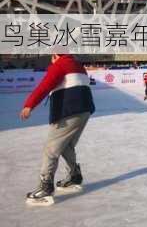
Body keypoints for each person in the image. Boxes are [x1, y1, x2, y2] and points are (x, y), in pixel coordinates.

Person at [21, 53, 95, 206]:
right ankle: (74, 176)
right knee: (66, 145)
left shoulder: (60, 64)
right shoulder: (77, 64)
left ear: (55, 54)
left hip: (69, 112)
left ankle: (45, 187)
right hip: (84, 110)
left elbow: (45, 85)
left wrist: (29, 104)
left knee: (51, 149)